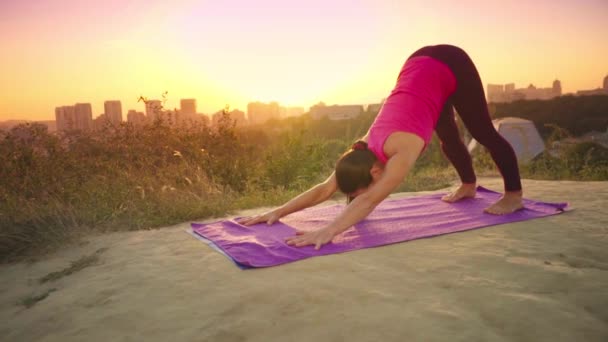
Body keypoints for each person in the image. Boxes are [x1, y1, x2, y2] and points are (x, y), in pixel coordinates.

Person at [239, 44, 524, 250]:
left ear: (376, 171)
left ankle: (513, 194)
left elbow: (370, 200)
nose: (357, 198)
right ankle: (468, 186)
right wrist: (278, 211)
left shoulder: (403, 149)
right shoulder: (359, 153)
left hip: (452, 63)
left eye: (360, 190)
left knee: (482, 131)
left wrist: (328, 231)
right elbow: (324, 189)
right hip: (417, 67)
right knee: (448, 137)